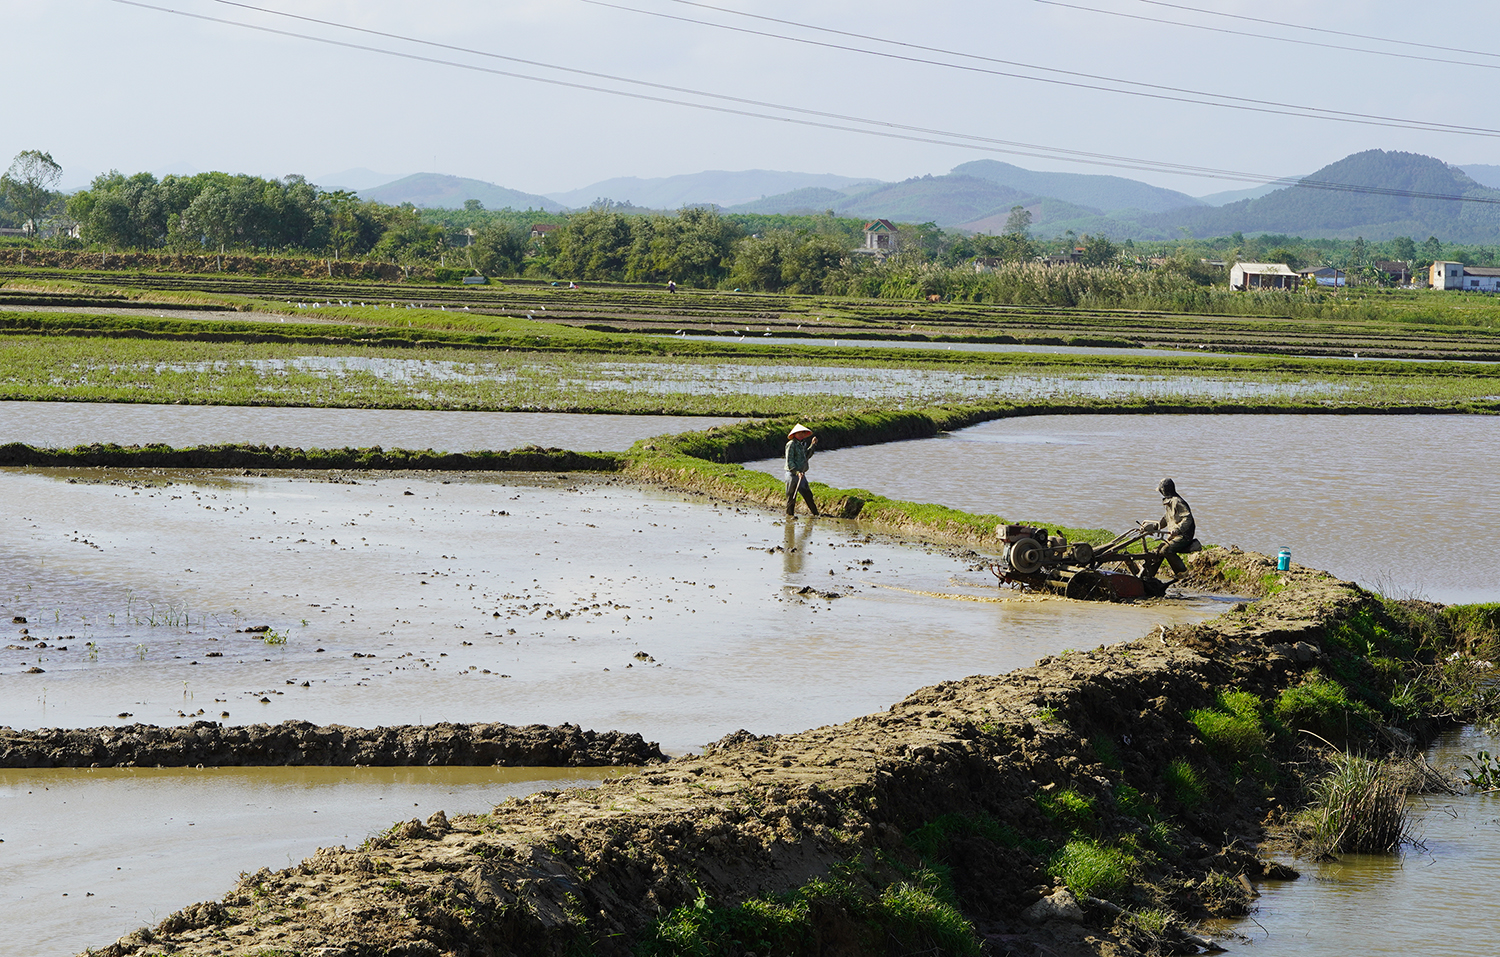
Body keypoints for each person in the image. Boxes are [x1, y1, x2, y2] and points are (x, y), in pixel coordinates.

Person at [1142, 478, 1195, 580]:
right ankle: (1147, 576)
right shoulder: (1169, 502)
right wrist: (1153, 527)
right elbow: (1166, 519)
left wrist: (1178, 529)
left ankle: (1182, 573)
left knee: (1166, 550)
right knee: (1157, 551)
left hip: (1183, 536)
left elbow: (1187, 518)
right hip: (1172, 536)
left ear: (1164, 490)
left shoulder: (1177, 502)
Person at [783, 424, 819, 517]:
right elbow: (789, 461)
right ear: (795, 434)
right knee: (791, 496)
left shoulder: (803, 444)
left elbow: (806, 456)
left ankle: (816, 514)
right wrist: (797, 472)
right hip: (792, 474)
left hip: (801, 474)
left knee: (808, 494)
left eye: (802, 433)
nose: (801, 434)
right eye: (799, 433)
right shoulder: (791, 444)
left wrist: (813, 445)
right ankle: (790, 516)